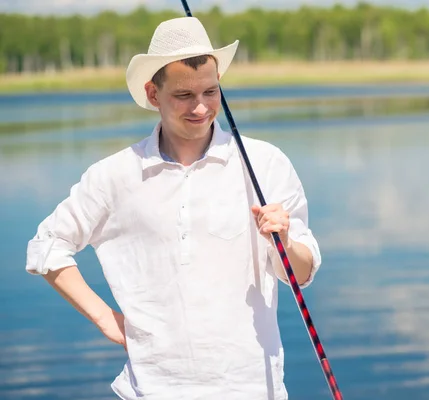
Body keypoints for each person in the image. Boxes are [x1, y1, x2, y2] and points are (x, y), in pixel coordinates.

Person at [24, 16, 322, 400]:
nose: (200, 107)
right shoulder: (115, 175)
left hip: (254, 388)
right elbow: (47, 245)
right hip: (149, 390)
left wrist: (283, 240)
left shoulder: (264, 164)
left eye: (211, 92)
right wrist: (104, 318)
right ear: (153, 94)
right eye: (184, 95)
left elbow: (299, 273)